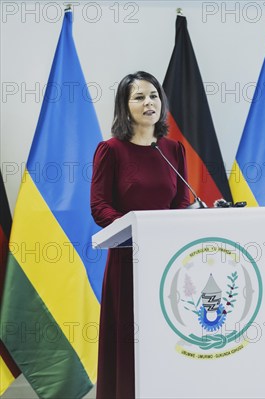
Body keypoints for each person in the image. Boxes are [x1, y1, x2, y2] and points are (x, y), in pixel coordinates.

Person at [91, 71, 190, 398]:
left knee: (167, 341)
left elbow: (182, 202)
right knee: (130, 345)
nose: (149, 103)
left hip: (168, 263)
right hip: (128, 262)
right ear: (125, 105)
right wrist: (136, 231)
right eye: (139, 97)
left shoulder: (173, 149)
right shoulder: (111, 150)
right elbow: (100, 206)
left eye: (154, 96)